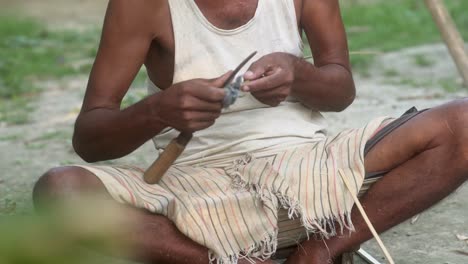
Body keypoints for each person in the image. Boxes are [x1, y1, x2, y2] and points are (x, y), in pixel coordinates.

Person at [32, 0, 468, 263]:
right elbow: (88, 138)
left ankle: (321, 251)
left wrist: (299, 76)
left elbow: (340, 90)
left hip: (310, 174)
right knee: (60, 191)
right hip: (198, 191)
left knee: (463, 121)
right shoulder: (144, 6)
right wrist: (158, 111)